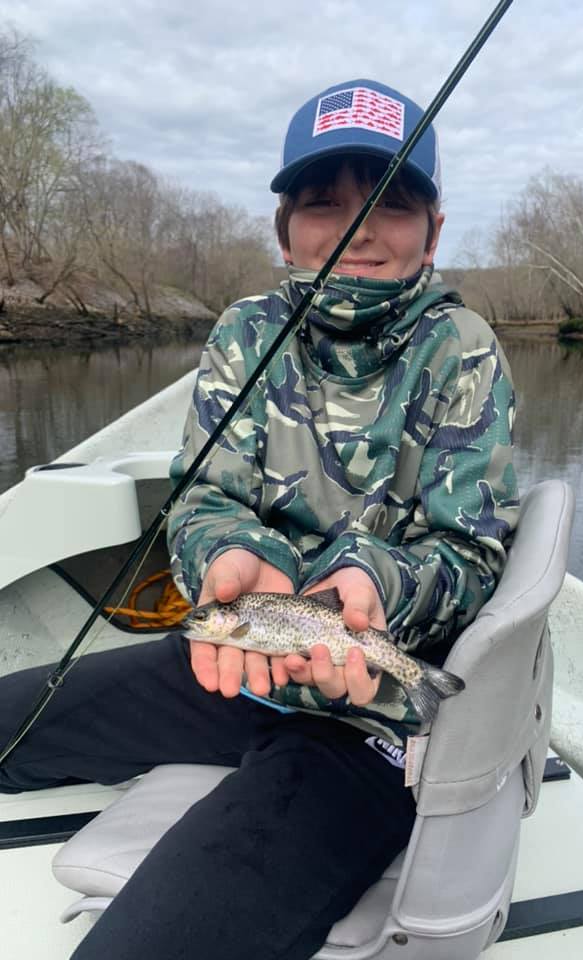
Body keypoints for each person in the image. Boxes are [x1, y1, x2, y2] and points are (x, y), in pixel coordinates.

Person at [0, 79, 518, 959]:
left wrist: (370, 580)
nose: (356, 228)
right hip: (234, 666)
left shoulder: (462, 348)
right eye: (324, 203)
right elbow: (204, 495)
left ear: (434, 228)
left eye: (390, 201)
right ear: (285, 229)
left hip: (371, 713)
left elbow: (468, 553)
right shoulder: (244, 332)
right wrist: (229, 552)